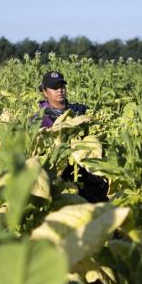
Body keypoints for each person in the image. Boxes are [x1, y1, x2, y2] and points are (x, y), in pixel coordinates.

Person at [34, 70, 108, 202]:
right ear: (45, 92)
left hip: (86, 171)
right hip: (61, 175)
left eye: (61, 86)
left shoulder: (79, 110)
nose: (59, 90)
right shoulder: (39, 119)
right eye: (54, 88)